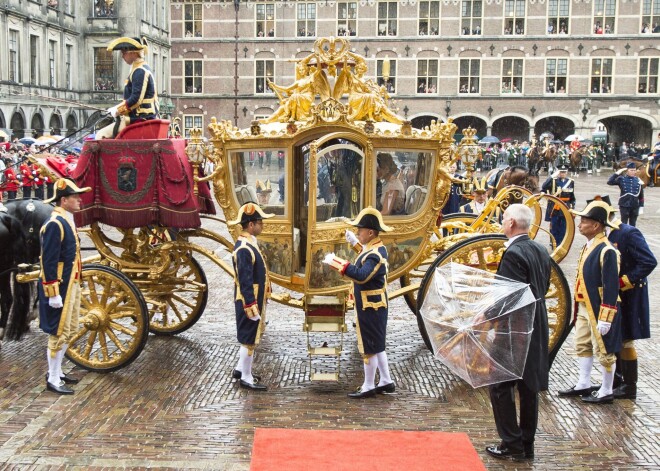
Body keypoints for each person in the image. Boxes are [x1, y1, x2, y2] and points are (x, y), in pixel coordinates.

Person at [485, 204, 551, 462]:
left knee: (500, 384)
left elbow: (509, 295)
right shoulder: (540, 249)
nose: (501, 223)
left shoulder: (513, 253)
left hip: (515, 327)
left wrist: (486, 316)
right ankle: (527, 443)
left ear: (512, 223)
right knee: (528, 387)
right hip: (537, 322)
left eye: (503, 219)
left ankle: (511, 443)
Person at [323, 207, 395, 399]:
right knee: (378, 345)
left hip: (370, 307)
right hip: (374, 305)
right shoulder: (375, 248)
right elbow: (365, 254)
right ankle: (386, 380)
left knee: (369, 347)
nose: (358, 232)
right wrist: (355, 243)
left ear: (370, 232)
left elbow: (362, 275)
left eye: (360, 231)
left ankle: (369, 385)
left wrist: (337, 263)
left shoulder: (375, 255)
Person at [558, 200, 621, 404]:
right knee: (582, 344)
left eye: (584, 221)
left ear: (596, 225)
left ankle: (606, 389)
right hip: (584, 305)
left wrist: (606, 316)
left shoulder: (607, 250)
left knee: (603, 348)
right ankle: (584, 382)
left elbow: (611, 286)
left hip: (598, 308)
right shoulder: (588, 246)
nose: (580, 224)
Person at [597, 195, 657, 400]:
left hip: (631, 294)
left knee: (627, 339)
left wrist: (624, 281)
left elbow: (648, 261)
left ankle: (630, 385)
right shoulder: (606, 234)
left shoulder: (628, 233)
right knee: (618, 337)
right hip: (616, 296)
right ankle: (618, 380)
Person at [39, 178, 91, 395]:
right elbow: (48, 261)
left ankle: (58, 371)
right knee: (58, 332)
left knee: (68, 330)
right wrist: (52, 292)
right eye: (74, 196)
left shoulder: (66, 220)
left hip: (71, 284)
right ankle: (52, 377)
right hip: (59, 287)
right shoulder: (55, 224)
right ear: (64, 200)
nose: (79, 199)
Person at [228, 202, 274, 391]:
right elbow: (245, 281)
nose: (262, 225)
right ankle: (246, 377)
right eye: (259, 222)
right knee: (249, 339)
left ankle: (240, 369)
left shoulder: (248, 244)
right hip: (249, 300)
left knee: (249, 336)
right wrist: (251, 304)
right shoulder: (244, 249)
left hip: (253, 298)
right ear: (250, 225)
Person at [97, 36, 159, 139]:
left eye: (124, 53)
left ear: (133, 52)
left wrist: (117, 110)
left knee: (100, 135)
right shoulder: (141, 69)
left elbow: (135, 100)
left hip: (139, 118)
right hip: (141, 116)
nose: (122, 56)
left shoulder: (140, 71)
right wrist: (116, 109)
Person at [541, 166, 575, 247]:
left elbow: (572, 196)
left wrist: (572, 207)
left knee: (563, 226)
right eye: (561, 172)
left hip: (565, 206)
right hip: (554, 207)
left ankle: (561, 243)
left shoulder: (571, 182)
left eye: (564, 172)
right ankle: (554, 242)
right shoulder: (553, 180)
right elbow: (544, 187)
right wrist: (552, 176)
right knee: (554, 225)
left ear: (566, 173)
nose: (562, 174)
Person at [607, 162, 644, 226]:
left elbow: (641, 195)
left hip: (634, 205)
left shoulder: (638, 180)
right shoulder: (621, 179)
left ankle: (632, 236)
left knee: (633, 224)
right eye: (631, 170)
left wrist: (641, 206)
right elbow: (609, 182)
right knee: (623, 223)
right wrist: (617, 173)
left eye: (634, 170)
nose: (633, 172)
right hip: (624, 204)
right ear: (627, 171)